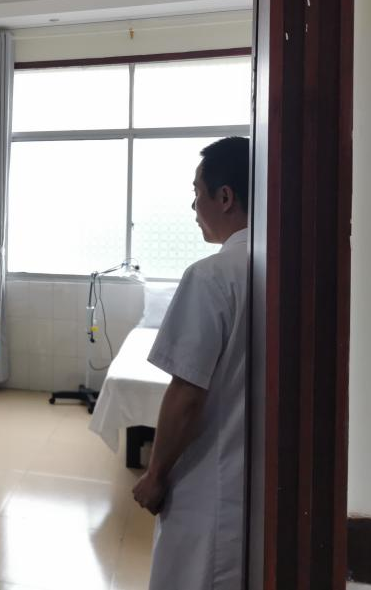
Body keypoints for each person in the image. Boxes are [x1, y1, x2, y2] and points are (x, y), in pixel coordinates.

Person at [131, 136, 250, 590]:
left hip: (210, 479)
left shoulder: (211, 276)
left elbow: (186, 393)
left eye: (197, 192)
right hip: (257, 480)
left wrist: (155, 475)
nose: (193, 206)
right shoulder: (280, 266)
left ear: (225, 197)